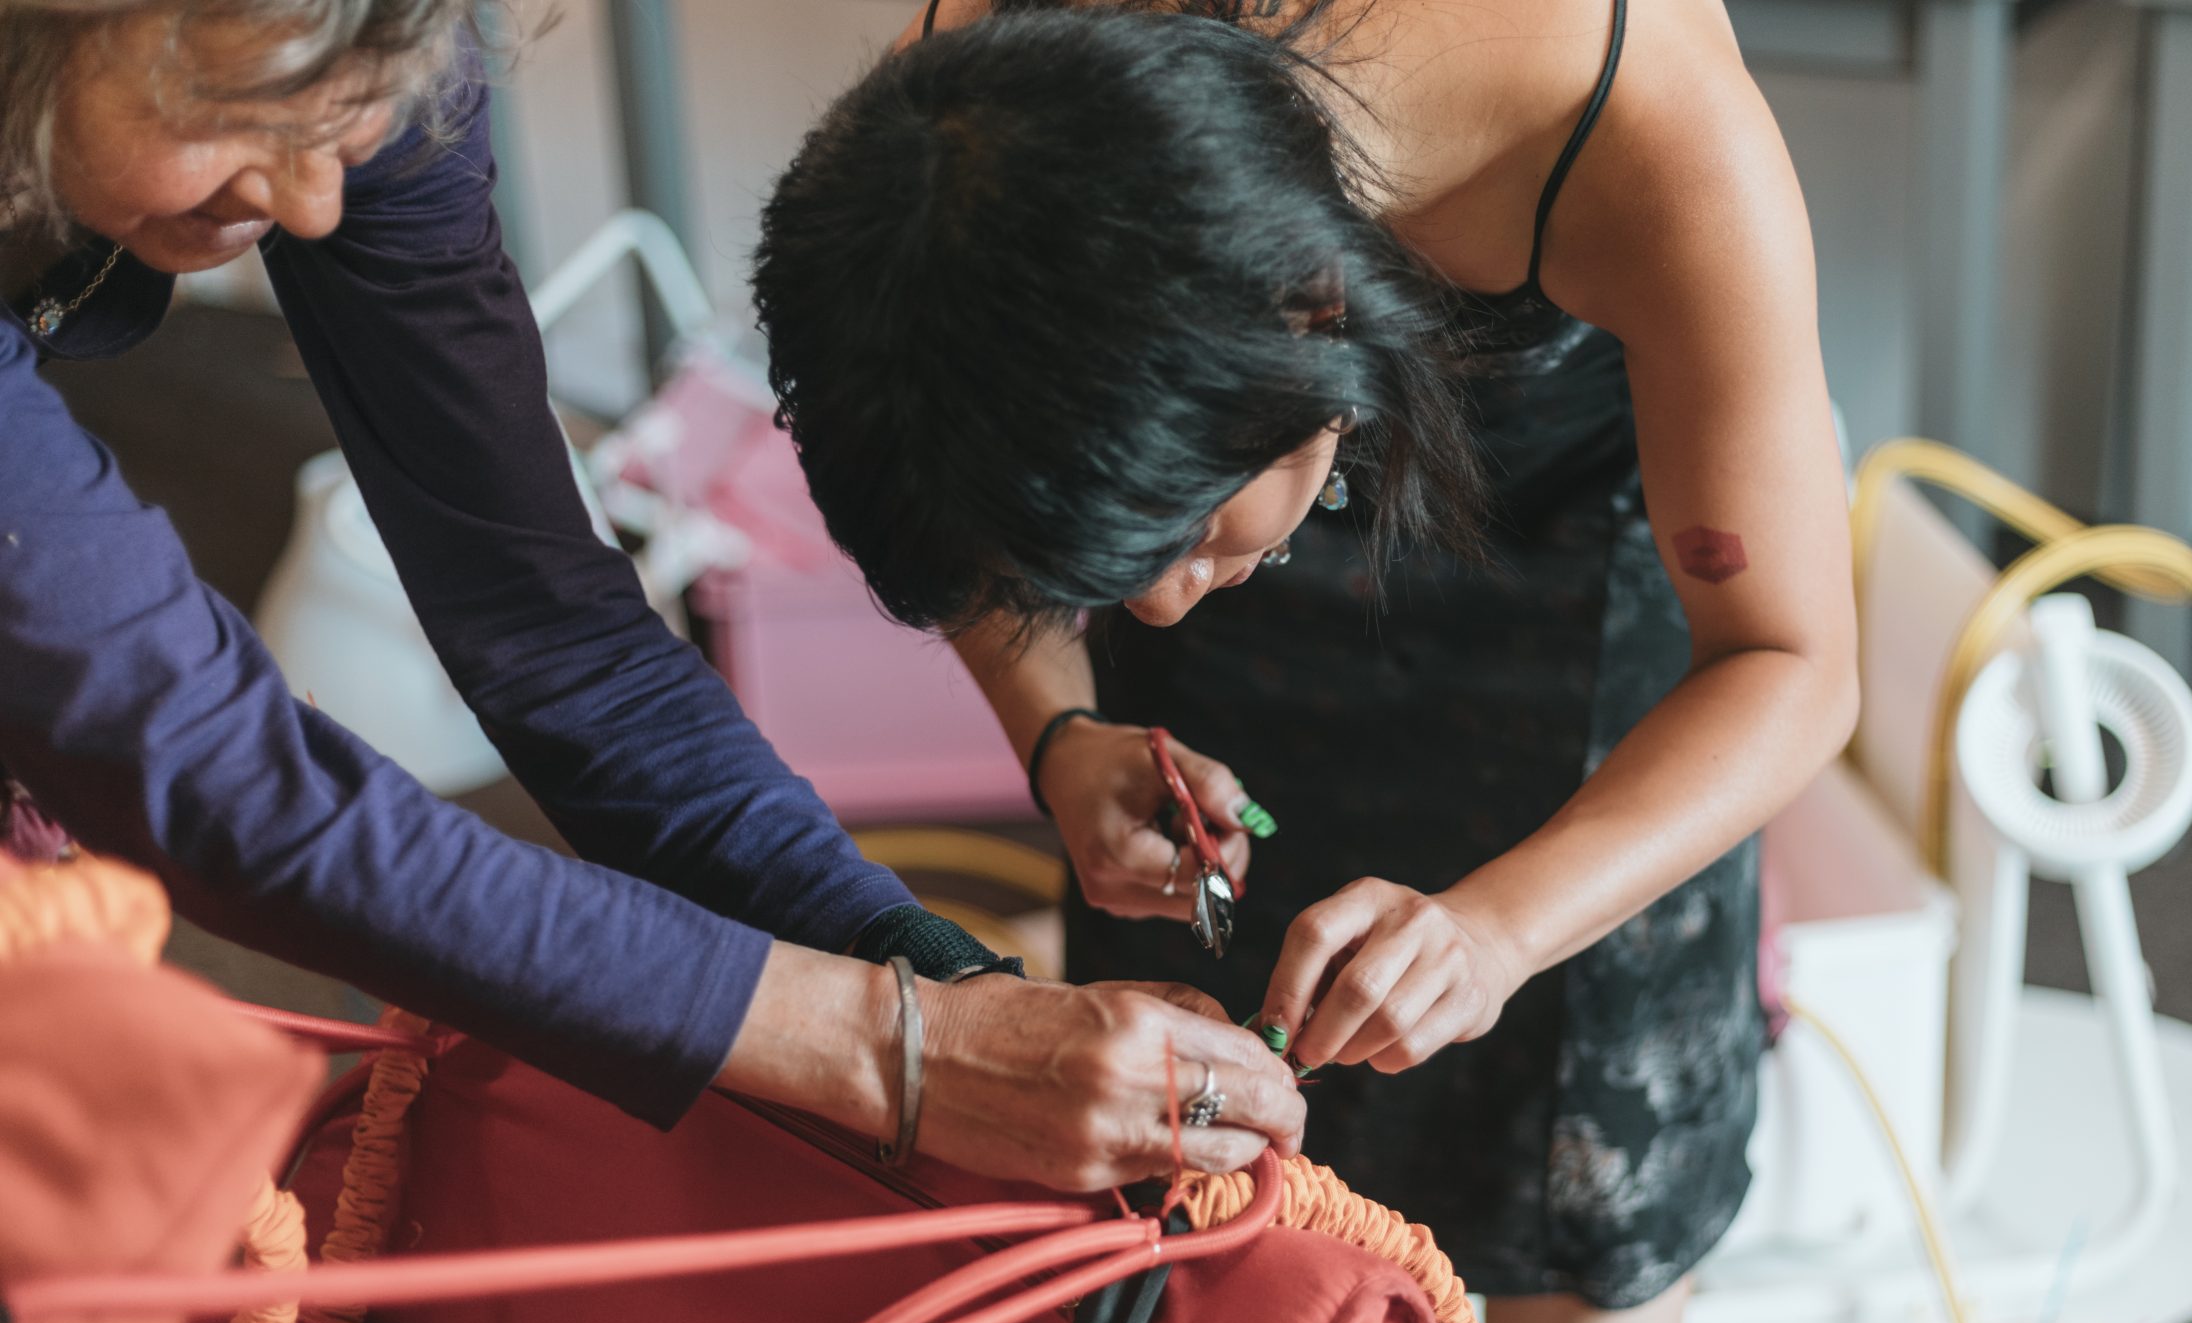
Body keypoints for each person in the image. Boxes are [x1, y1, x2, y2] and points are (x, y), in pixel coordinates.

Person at [752, 1, 1859, 1323]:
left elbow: (1791, 662)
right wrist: (1061, 732)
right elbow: (960, 490)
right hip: (1230, 537)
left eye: (1190, 542)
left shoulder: (1645, 123)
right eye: (1105, 568)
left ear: (1320, 310)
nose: (1151, 613)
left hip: (1581, 625)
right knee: (1187, 1163)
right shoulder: (979, 107)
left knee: (1580, 1164)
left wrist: (1503, 933)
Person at [0, 0, 1304, 1195]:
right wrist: (901, 1050)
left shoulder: (364, 50)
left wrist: (931, 976)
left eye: (352, 120)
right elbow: (212, 768)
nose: (317, 203)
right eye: (241, 119)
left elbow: (553, 624)